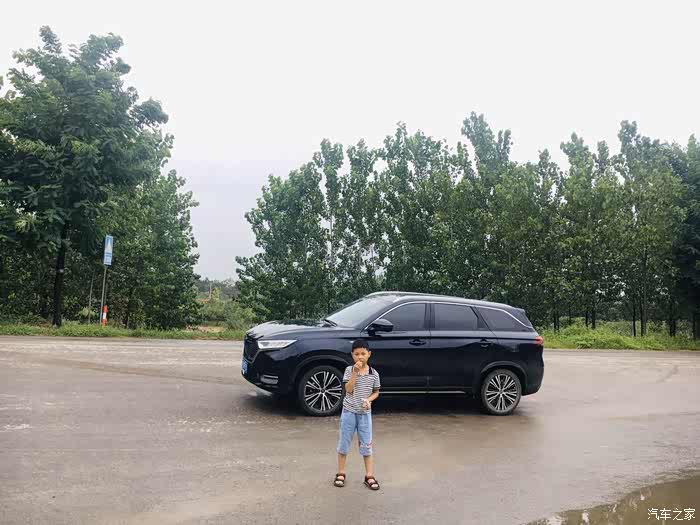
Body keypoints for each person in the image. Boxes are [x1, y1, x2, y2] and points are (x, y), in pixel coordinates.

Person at [333, 338, 381, 491]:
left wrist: (369, 400)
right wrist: (355, 372)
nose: (360, 357)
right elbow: (348, 389)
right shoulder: (349, 370)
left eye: (363, 354)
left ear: (369, 354)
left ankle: (369, 475)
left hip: (364, 414)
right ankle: (341, 473)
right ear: (352, 355)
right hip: (349, 412)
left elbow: (376, 392)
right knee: (344, 442)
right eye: (356, 354)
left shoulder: (374, 374)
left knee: (366, 444)